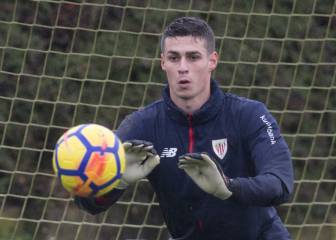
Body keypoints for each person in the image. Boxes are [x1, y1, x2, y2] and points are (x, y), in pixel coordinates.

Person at [75, 16, 294, 240]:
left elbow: (280, 183)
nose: (182, 67)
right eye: (173, 57)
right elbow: (87, 202)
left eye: (193, 57)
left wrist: (228, 187)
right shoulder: (142, 125)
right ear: (163, 63)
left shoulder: (249, 115)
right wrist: (117, 181)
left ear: (212, 61)